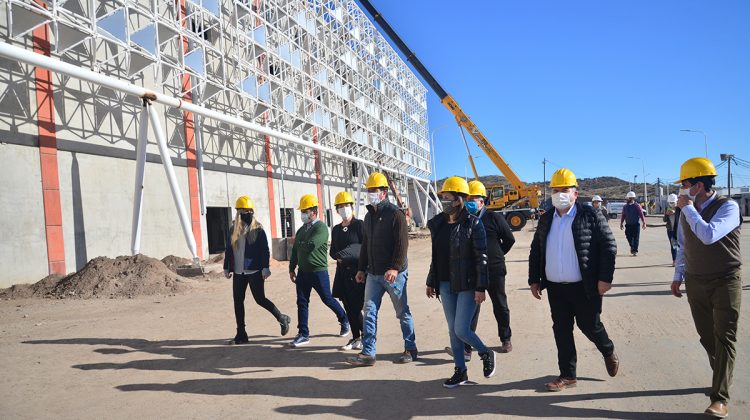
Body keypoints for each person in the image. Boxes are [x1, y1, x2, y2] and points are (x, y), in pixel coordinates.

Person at [529, 168, 619, 392]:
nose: (560, 194)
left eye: (565, 190)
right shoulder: (546, 218)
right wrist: (534, 279)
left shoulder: (590, 215)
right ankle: (567, 375)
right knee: (561, 330)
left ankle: (607, 349)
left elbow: (609, 247)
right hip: (556, 288)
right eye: (556, 190)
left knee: (590, 325)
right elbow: (536, 250)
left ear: (575, 193)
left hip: (585, 286)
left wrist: (605, 278)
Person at [670, 157, 742, 419]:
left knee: (724, 337)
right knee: (707, 337)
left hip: (725, 280)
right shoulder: (684, 210)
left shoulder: (728, 207)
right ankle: (722, 375)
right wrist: (678, 275)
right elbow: (683, 243)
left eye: (685, 184)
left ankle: (720, 398)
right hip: (696, 280)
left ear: (698, 185)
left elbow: (709, 235)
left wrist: (688, 209)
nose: (681, 189)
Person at [427, 176, 496, 388]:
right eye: (443, 198)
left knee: (461, 329)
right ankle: (460, 371)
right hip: (445, 284)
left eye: (447, 198)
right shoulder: (438, 224)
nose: (444, 201)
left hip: (467, 284)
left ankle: (486, 352)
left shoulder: (473, 223)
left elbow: (481, 257)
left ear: (459, 200)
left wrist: (481, 287)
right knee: (452, 330)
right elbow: (436, 257)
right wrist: (431, 281)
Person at [346, 172, 417, 366]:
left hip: (394, 275)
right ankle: (368, 353)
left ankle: (410, 348)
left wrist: (394, 268)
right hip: (373, 274)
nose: (370, 193)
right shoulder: (369, 216)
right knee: (369, 311)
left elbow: (402, 245)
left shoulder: (395, 214)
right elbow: (366, 245)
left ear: (384, 192)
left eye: (374, 190)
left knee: (402, 312)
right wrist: (361, 269)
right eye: (368, 190)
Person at [445, 180, 516, 361]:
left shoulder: (494, 218)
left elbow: (509, 239)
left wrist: (497, 254)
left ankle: (505, 338)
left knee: (500, 305)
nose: (469, 201)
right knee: (471, 310)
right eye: (467, 198)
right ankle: (467, 347)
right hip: (474, 272)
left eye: (473, 198)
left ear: (482, 201)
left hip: (494, 270)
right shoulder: (465, 220)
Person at [223, 196, 290, 344]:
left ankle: (281, 317)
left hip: (254, 271)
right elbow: (229, 249)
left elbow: (264, 250)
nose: (247, 213)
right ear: (238, 212)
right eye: (244, 210)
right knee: (238, 302)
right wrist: (226, 267)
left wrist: (265, 267)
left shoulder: (258, 230)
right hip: (238, 273)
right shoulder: (233, 229)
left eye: (249, 211)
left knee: (260, 299)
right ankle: (241, 334)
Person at [288, 194, 349, 347]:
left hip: (318, 271)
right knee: (302, 302)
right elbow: (296, 250)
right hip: (303, 272)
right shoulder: (302, 230)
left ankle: (344, 319)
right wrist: (291, 268)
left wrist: (299, 243)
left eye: (305, 211)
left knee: (327, 299)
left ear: (313, 212)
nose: (303, 214)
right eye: (302, 211)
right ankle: (303, 333)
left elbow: (310, 246)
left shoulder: (321, 228)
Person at [330, 191, 366, 351]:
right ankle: (355, 338)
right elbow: (333, 252)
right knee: (347, 305)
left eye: (346, 205)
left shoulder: (359, 225)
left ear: (352, 207)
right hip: (342, 272)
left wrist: (359, 265)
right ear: (337, 210)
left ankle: (366, 336)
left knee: (356, 306)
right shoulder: (336, 229)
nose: (344, 209)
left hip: (357, 272)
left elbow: (365, 248)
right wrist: (343, 256)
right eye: (340, 207)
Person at [620, 191, 646, 256]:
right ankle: (632, 247)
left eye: (630, 198)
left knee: (636, 238)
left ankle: (635, 250)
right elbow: (623, 215)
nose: (629, 199)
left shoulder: (637, 206)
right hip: (628, 225)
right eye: (629, 198)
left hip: (636, 225)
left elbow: (641, 214)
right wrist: (621, 223)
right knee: (628, 237)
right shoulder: (625, 206)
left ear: (633, 198)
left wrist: (644, 222)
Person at [663, 193, 679, 266]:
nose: (671, 204)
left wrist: (675, 212)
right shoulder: (667, 208)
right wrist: (666, 214)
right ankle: (674, 260)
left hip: (679, 230)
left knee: (680, 245)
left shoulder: (680, 208)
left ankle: (681, 259)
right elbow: (664, 220)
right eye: (670, 203)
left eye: (673, 202)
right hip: (670, 230)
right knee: (673, 245)